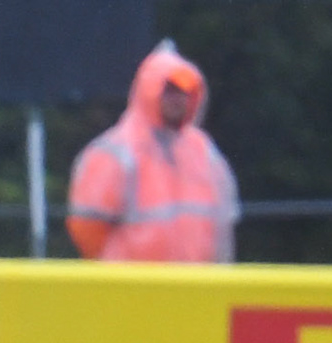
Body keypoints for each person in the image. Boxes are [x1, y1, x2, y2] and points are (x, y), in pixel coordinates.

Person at [67, 40, 239, 263]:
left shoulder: (203, 150)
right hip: (132, 282)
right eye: (169, 90)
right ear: (149, 91)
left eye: (185, 92)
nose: (178, 99)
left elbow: (224, 223)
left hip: (197, 282)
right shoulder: (114, 152)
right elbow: (87, 228)